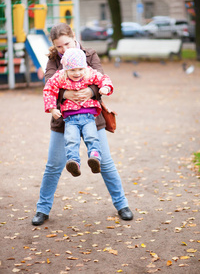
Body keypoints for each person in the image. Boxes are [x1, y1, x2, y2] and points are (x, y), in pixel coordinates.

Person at [32, 23, 133, 226]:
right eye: (59, 47)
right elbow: (49, 83)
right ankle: (42, 209)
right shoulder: (53, 60)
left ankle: (122, 205)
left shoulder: (90, 54)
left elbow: (100, 77)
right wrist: (65, 93)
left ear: (74, 37)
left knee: (104, 162)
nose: (64, 50)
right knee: (54, 165)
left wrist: (92, 91)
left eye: (66, 44)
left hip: (91, 117)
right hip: (63, 118)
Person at [43, 47, 113, 176]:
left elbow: (104, 79)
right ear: (66, 69)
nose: (77, 73)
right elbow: (49, 89)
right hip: (70, 119)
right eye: (72, 70)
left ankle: (95, 158)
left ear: (84, 67)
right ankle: (73, 162)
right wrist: (52, 108)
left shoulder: (89, 74)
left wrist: (106, 87)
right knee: (71, 140)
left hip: (88, 116)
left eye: (80, 69)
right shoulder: (60, 77)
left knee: (92, 137)